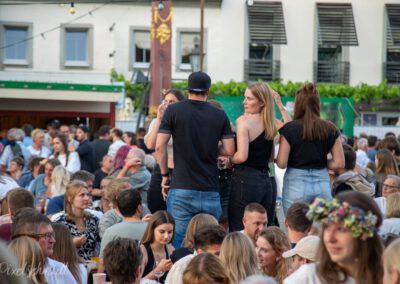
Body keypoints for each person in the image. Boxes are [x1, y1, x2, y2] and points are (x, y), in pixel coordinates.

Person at [156, 71, 235, 248]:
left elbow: (160, 147)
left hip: (181, 187)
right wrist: (211, 150)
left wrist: (164, 175)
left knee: (179, 243)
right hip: (210, 189)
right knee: (210, 244)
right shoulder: (219, 115)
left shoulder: (174, 111)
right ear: (208, 90)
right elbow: (230, 150)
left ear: (188, 89)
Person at [285, 191, 384, 284]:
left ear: (364, 233)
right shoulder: (309, 277)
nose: (330, 239)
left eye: (341, 229)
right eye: (327, 228)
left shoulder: (387, 278)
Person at [276, 83, 345, 214]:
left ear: (298, 105)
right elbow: (339, 163)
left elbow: (281, 163)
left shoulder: (289, 129)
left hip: (296, 182)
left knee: (296, 228)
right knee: (321, 230)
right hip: (322, 182)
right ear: (317, 104)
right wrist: (323, 161)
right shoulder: (330, 128)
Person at [228, 83, 277, 232]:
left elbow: (242, 156)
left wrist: (229, 160)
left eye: (249, 99)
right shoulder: (271, 124)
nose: (244, 102)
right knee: (262, 231)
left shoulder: (243, 122)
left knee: (239, 230)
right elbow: (271, 157)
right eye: (245, 98)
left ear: (261, 102)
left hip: (245, 179)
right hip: (266, 182)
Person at [11, 207, 77, 284]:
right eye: (47, 236)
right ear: (29, 239)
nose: (53, 240)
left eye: (53, 234)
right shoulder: (8, 270)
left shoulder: (59, 268)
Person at [145, 89, 185, 213]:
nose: (167, 104)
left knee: (177, 210)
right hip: (160, 169)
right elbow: (150, 144)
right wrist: (159, 120)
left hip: (180, 171)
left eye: (172, 101)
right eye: (165, 101)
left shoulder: (185, 122)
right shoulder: (156, 122)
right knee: (156, 206)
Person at [52, 180, 100, 260]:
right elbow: (54, 250)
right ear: (70, 199)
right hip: (69, 267)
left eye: (88, 194)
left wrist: (96, 263)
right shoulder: (59, 223)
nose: (87, 198)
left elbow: (97, 249)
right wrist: (72, 244)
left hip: (92, 267)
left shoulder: (93, 219)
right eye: (82, 195)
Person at [100, 189, 147, 258]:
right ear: (139, 207)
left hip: (117, 268)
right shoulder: (153, 229)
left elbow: (103, 260)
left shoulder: (110, 232)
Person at [141, 210, 175, 283]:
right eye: (162, 232)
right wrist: (159, 270)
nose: (166, 236)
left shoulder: (171, 249)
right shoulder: (142, 250)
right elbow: (136, 282)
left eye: (170, 232)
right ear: (152, 230)